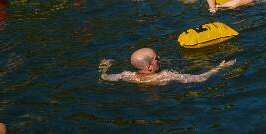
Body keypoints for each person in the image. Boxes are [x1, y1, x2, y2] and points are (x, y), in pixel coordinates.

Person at [99, 48, 234, 85]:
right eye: (156, 58)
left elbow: (105, 77)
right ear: (149, 67)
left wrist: (104, 67)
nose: (159, 58)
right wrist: (219, 68)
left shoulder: (127, 75)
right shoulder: (165, 75)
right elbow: (199, 78)